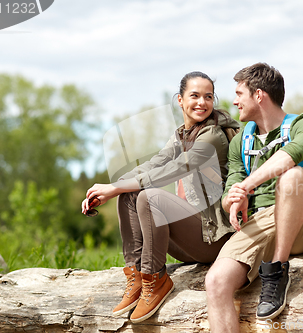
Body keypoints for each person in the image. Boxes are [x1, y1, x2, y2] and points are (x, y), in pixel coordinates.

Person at [81, 71, 239, 323]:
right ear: (180, 100)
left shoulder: (213, 136)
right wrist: (111, 188)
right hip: (194, 238)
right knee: (129, 193)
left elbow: (172, 170)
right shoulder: (182, 135)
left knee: (150, 197)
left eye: (208, 97)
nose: (202, 103)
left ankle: (156, 281)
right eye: (194, 96)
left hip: (217, 240)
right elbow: (153, 164)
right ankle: (137, 276)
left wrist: (115, 189)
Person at [205, 63, 303, 332]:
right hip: (261, 223)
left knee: (292, 176)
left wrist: (248, 185)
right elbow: (231, 190)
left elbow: (290, 156)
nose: (235, 101)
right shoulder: (241, 141)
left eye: (240, 93)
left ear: (259, 95)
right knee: (215, 282)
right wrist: (233, 200)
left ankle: (277, 271)